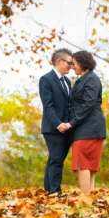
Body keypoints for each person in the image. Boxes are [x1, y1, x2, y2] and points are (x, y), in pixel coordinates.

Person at [66, 50, 106, 195]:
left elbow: (88, 104)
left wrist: (72, 123)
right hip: (85, 126)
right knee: (88, 164)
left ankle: (85, 198)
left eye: (74, 63)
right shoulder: (83, 79)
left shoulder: (92, 79)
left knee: (83, 163)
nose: (72, 66)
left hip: (90, 126)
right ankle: (89, 198)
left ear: (82, 63)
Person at [39, 48, 73, 196]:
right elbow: (48, 106)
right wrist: (58, 124)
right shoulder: (46, 79)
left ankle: (48, 189)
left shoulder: (67, 81)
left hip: (66, 128)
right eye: (69, 63)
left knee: (55, 159)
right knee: (57, 158)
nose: (71, 66)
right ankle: (55, 191)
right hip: (52, 127)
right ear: (59, 61)